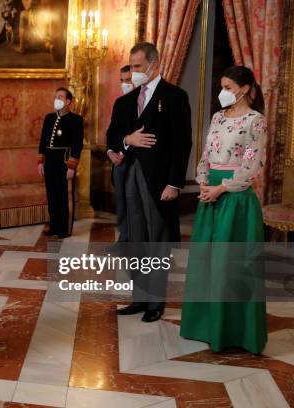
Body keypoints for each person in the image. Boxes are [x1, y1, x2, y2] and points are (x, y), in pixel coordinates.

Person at [180, 66, 267, 354]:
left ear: (243, 89)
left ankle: (235, 332)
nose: (223, 92)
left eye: (228, 87)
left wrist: (222, 188)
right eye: (222, 86)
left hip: (235, 198)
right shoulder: (217, 117)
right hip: (210, 196)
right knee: (206, 264)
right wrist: (203, 181)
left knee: (230, 267)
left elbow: (251, 165)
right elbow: (206, 154)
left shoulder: (256, 121)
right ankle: (204, 326)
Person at [107, 42, 192, 322]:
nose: (134, 72)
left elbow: (183, 145)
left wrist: (174, 183)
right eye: (131, 66)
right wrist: (125, 140)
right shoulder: (125, 102)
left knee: (158, 240)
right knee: (135, 239)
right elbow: (112, 137)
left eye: (139, 67)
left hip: (158, 182)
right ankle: (139, 297)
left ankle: (156, 303)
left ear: (155, 64)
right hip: (130, 176)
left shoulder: (175, 97)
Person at [38, 87, 84, 238]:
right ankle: (54, 226)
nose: (56, 99)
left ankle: (64, 229)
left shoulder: (76, 120)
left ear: (68, 101)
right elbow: (43, 141)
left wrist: (72, 166)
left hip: (64, 161)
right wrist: (40, 161)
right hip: (50, 162)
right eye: (55, 96)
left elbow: (77, 144)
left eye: (60, 97)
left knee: (64, 195)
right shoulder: (49, 118)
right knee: (52, 195)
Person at [106, 64, 134, 248]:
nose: (125, 84)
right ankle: (123, 238)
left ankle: (135, 241)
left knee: (134, 203)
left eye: (128, 80)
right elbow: (112, 132)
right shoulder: (120, 103)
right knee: (121, 202)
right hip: (118, 161)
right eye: (122, 81)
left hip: (134, 160)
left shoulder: (145, 103)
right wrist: (110, 152)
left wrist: (122, 152)